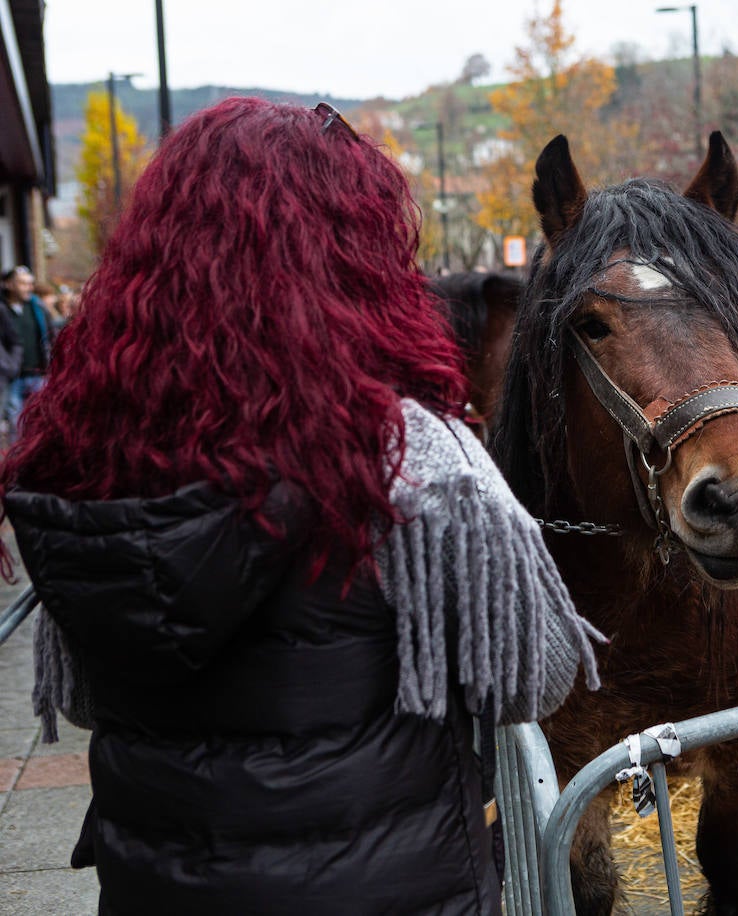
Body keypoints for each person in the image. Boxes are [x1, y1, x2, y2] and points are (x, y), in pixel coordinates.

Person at [0, 98, 602, 915]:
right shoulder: (408, 452)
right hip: (391, 886)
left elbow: (77, 699)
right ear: (354, 260)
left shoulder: (80, 449)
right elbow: (534, 676)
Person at [1, 265, 52, 431]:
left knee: (42, 424)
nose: (29, 288)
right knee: (16, 426)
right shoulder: (3, 310)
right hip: (12, 378)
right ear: (8, 284)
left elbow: (50, 335)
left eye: (30, 283)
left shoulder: (38, 308)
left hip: (38, 375)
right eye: (23, 283)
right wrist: (8, 366)